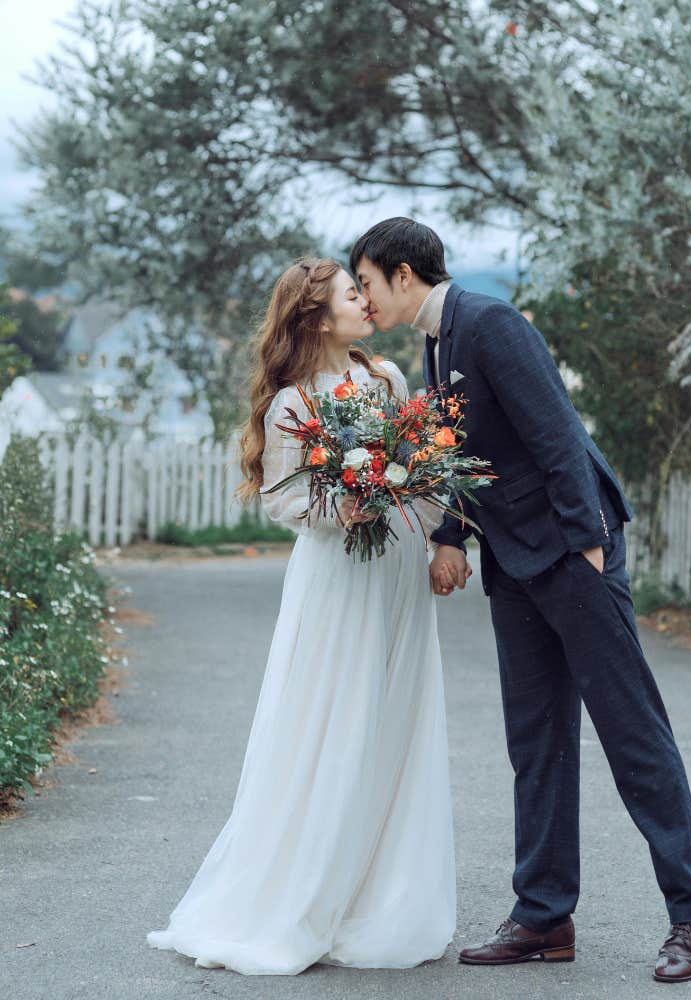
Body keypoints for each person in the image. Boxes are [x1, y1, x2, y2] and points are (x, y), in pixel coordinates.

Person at [350, 219, 691, 984]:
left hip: (571, 551)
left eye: (367, 282)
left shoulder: (489, 324)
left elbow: (555, 430)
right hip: (514, 559)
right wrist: (449, 534)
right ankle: (544, 918)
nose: (362, 297)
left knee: (632, 733)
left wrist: (587, 541)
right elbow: (460, 449)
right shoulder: (437, 342)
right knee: (536, 738)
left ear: (404, 276)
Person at [146, 258, 455, 975]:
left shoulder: (387, 381)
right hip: (339, 575)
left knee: (393, 719)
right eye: (354, 294)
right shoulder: (292, 403)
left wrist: (439, 533)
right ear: (317, 316)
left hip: (399, 571)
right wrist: (344, 504)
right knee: (333, 721)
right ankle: (305, 896)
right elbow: (284, 499)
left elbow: (429, 467)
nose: (366, 302)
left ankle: (384, 895)